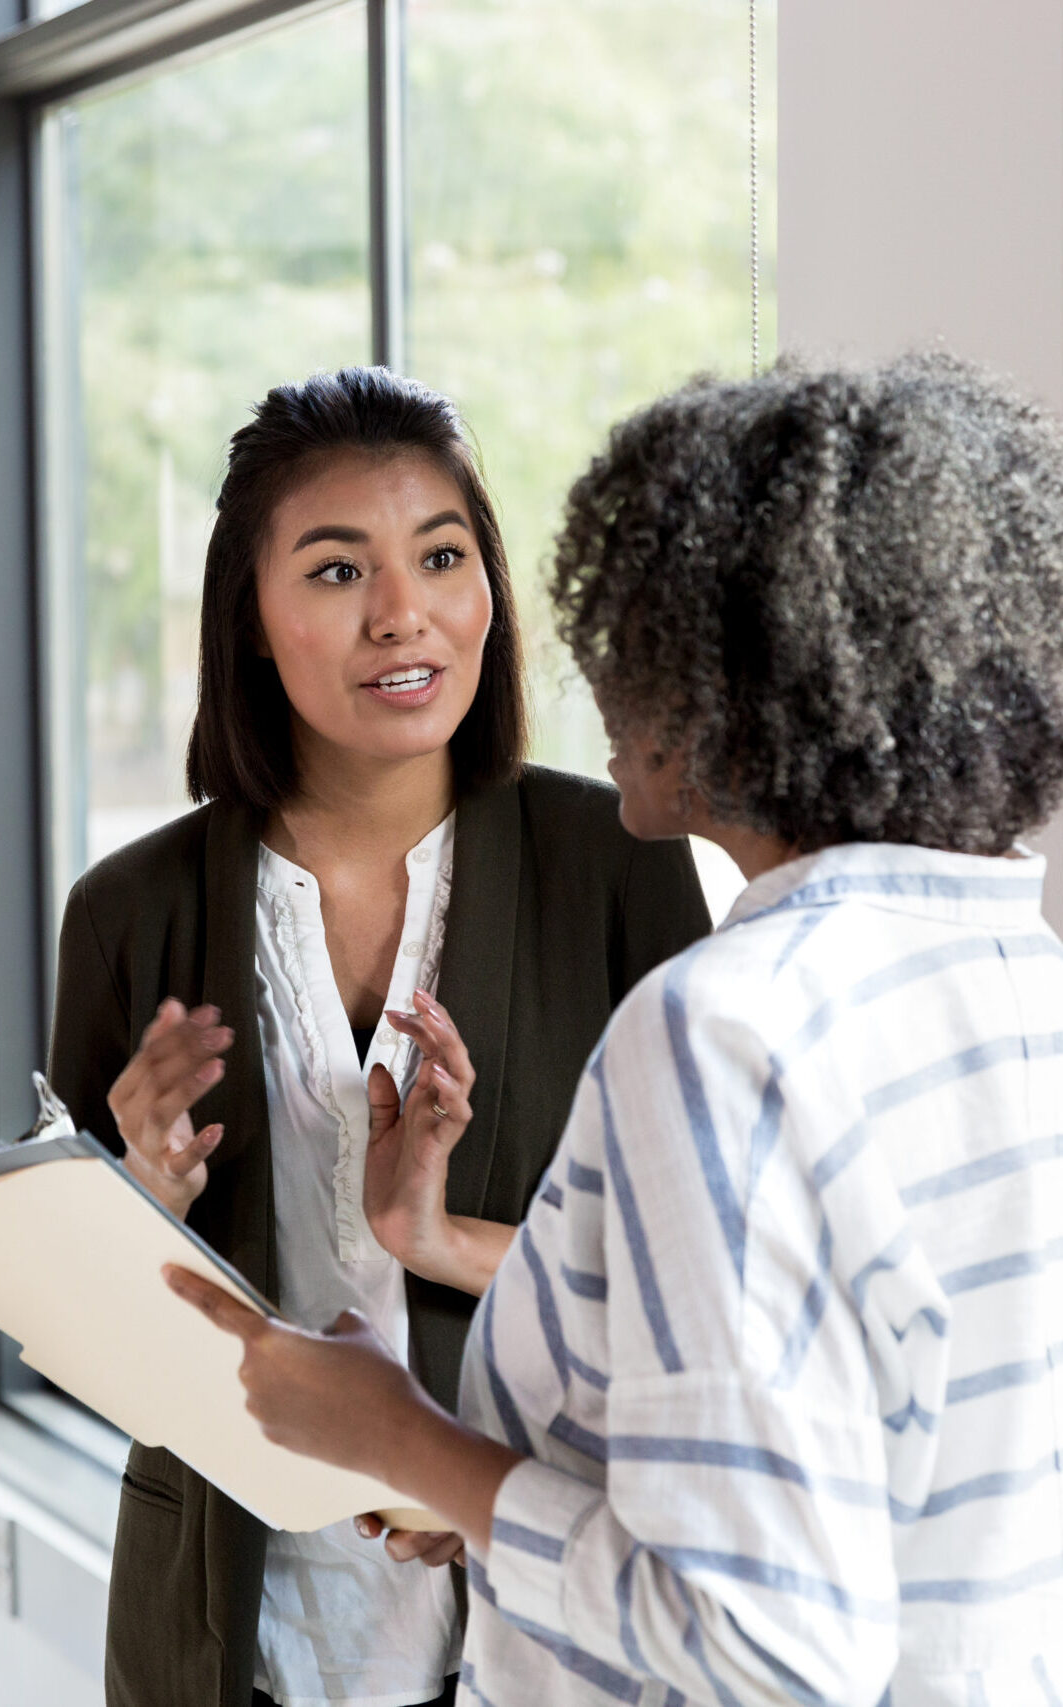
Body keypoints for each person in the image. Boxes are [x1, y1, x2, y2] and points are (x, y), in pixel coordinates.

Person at [169, 352, 1063, 1706]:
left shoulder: (728, 1031)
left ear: (739, 680)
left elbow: (762, 1643)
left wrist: (406, 1443)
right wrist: (449, 1329)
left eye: (633, 634)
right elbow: (844, 1458)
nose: (594, 678)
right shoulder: (1019, 976)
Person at [47, 365, 710, 1707]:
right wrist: (142, 1203)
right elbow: (80, 1348)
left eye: (443, 557)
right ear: (251, 621)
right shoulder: (132, 914)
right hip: (237, 1629)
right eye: (339, 572)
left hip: (535, 1607)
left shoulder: (616, 865)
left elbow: (696, 1284)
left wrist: (448, 1442)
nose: (404, 615)